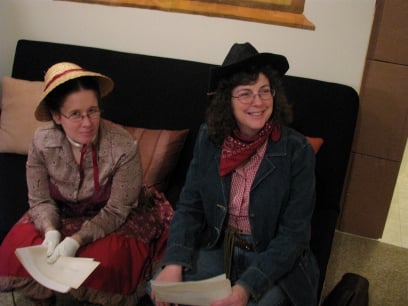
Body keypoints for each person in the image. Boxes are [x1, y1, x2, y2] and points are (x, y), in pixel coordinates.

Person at [150, 43, 319, 306]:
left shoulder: (297, 150)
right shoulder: (209, 137)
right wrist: (174, 262)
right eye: (245, 93)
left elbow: (294, 236)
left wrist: (245, 288)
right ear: (226, 99)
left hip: (271, 258)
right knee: (161, 291)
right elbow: (190, 207)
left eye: (265, 91)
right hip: (219, 247)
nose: (258, 102)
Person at [0, 62, 171, 305]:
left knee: (108, 263)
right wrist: (50, 231)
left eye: (93, 111)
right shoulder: (41, 141)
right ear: (57, 116)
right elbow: (40, 200)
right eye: (75, 114)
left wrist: (75, 240)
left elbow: (117, 209)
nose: (87, 122)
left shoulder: (123, 146)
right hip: (61, 210)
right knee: (14, 251)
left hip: (110, 215)